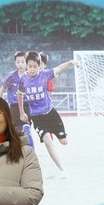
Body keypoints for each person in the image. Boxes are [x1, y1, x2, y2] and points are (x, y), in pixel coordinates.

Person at [17, 51, 79, 179]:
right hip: (37, 117)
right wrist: (22, 112)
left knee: (64, 141)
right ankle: (63, 170)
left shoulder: (45, 75)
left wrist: (71, 62)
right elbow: (19, 94)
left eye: (35, 66)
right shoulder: (23, 79)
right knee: (48, 142)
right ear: (27, 65)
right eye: (30, 66)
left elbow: (60, 68)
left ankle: (60, 134)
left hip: (50, 113)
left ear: (39, 65)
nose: (32, 69)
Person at [0, 51, 27, 134]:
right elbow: (1, 91)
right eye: (18, 62)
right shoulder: (11, 77)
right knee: (17, 130)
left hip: (27, 105)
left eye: (22, 62)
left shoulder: (30, 76)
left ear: (26, 62)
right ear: (15, 63)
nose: (20, 64)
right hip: (14, 106)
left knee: (27, 129)